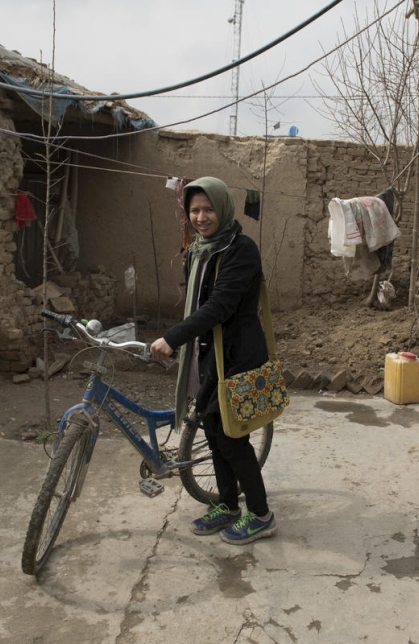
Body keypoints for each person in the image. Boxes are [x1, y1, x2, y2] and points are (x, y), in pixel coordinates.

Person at [150, 177, 277, 545]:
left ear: (223, 208)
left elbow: (220, 307)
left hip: (237, 355)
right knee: (210, 429)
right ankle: (227, 504)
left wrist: (173, 338)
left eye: (208, 209)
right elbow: (198, 304)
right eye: (194, 210)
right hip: (207, 354)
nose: (201, 217)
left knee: (232, 438)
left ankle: (261, 514)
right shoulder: (197, 250)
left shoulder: (241, 250)